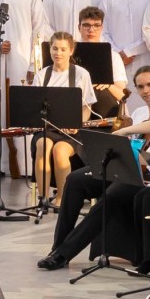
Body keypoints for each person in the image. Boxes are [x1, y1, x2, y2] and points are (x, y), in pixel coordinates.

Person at [36, 85, 150, 273]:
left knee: (119, 195)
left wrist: (122, 132)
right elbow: (147, 158)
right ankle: (58, 248)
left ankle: (65, 253)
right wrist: (116, 152)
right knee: (76, 179)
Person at [28, 31, 97, 208]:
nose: (58, 53)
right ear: (49, 49)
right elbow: (35, 109)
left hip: (71, 132)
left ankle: (62, 198)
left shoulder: (82, 74)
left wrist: (75, 124)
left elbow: (86, 109)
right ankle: (42, 199)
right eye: (55, 48)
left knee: (59, 151)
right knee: (43, 145)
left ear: (71, 51)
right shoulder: (42, 75)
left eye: (63, 49)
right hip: (47, 129)